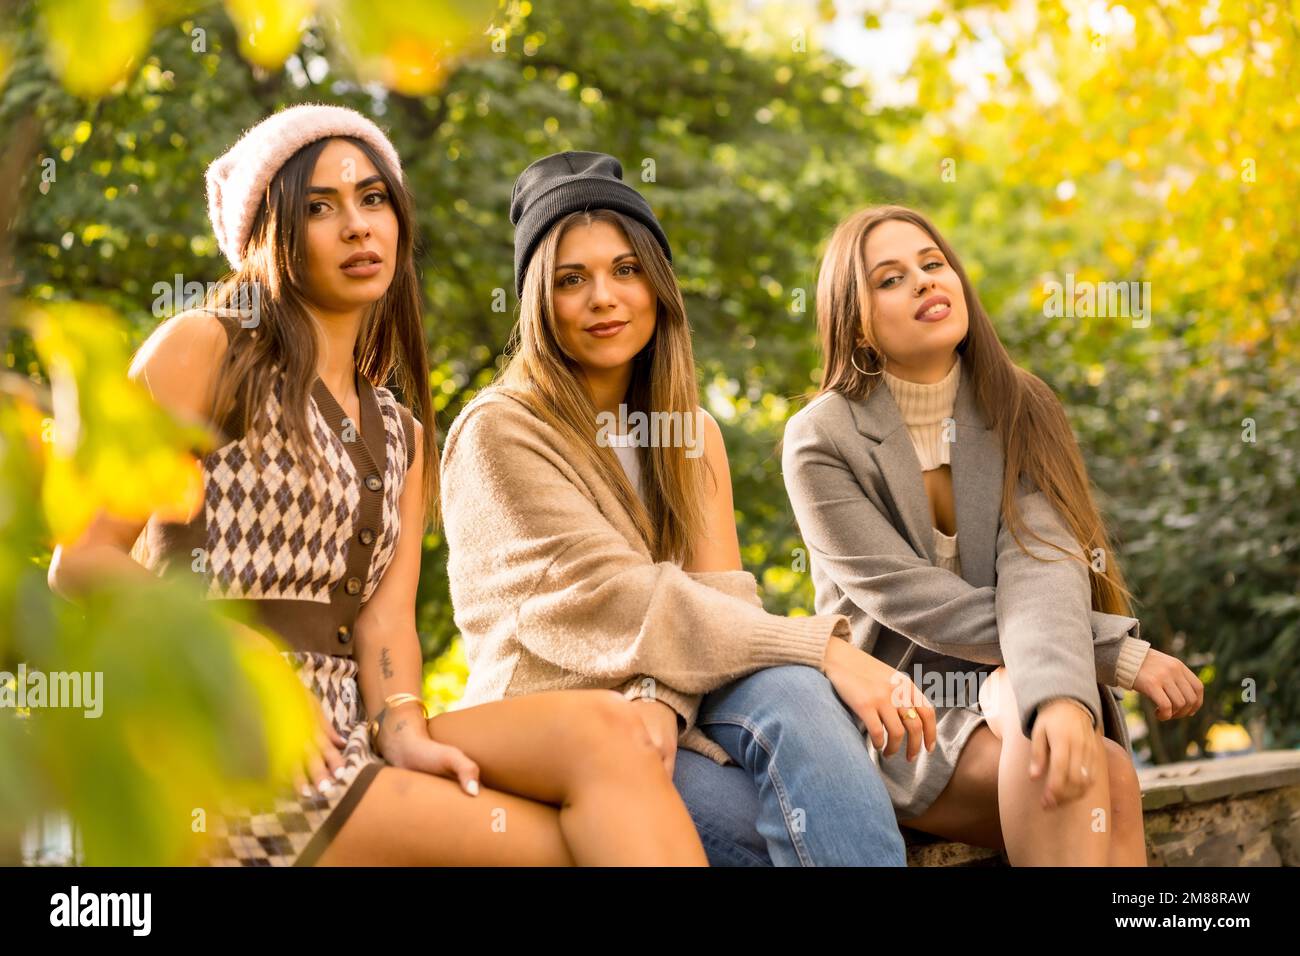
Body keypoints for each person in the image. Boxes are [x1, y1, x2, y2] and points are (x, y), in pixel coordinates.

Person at [48, 106, 706, 866]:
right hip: (215, 733)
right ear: (273, 234)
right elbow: (82, 560)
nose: (358, 226)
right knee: (566, 848)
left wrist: (405, 727)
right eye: (320, 207)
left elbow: (384, 627)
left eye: (373, 199)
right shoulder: (203, 348)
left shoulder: (401, 432)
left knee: (616, 731)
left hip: (347, 733)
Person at [440, 151, 923, 866]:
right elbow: (613, 600)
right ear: (540, 301)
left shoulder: (689, 434)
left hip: (672, 708)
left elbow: (717, 599)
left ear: (658, 286)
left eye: (625, 270)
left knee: (795, 693)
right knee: (764, 825)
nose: (605, 297)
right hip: (556, 718)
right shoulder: (500, 430)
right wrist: (824, 646)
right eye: (573, 280)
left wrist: (665, 700)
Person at [782, 204, 1204, 865]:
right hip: (904, 703)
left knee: (1107, 773)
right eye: (890, 279)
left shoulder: (1018, 403)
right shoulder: (822, 437)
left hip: (1024, 675)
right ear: (855, 324)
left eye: (933, 263)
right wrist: (1109, 656)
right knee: (1092, 773)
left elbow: (1040, 562)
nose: (924, 282)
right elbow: (917, 602)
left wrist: (1052, 689)